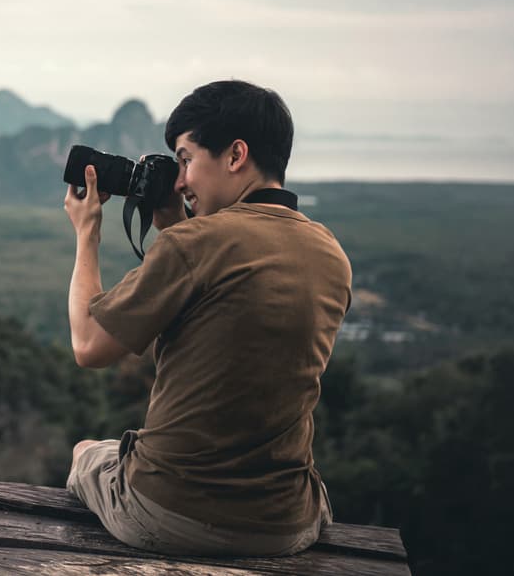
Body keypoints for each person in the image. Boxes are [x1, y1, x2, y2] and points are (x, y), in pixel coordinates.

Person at [62, 80, 351, 557]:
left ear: (236, 155)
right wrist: (181, 225)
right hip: (287, 524)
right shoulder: (330, 253)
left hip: (172, 514)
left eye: (185, 159)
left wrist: (87, 232)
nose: (179, 181)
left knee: (87, 451)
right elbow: (225, 332)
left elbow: (89, 346)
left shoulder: (194, 246)